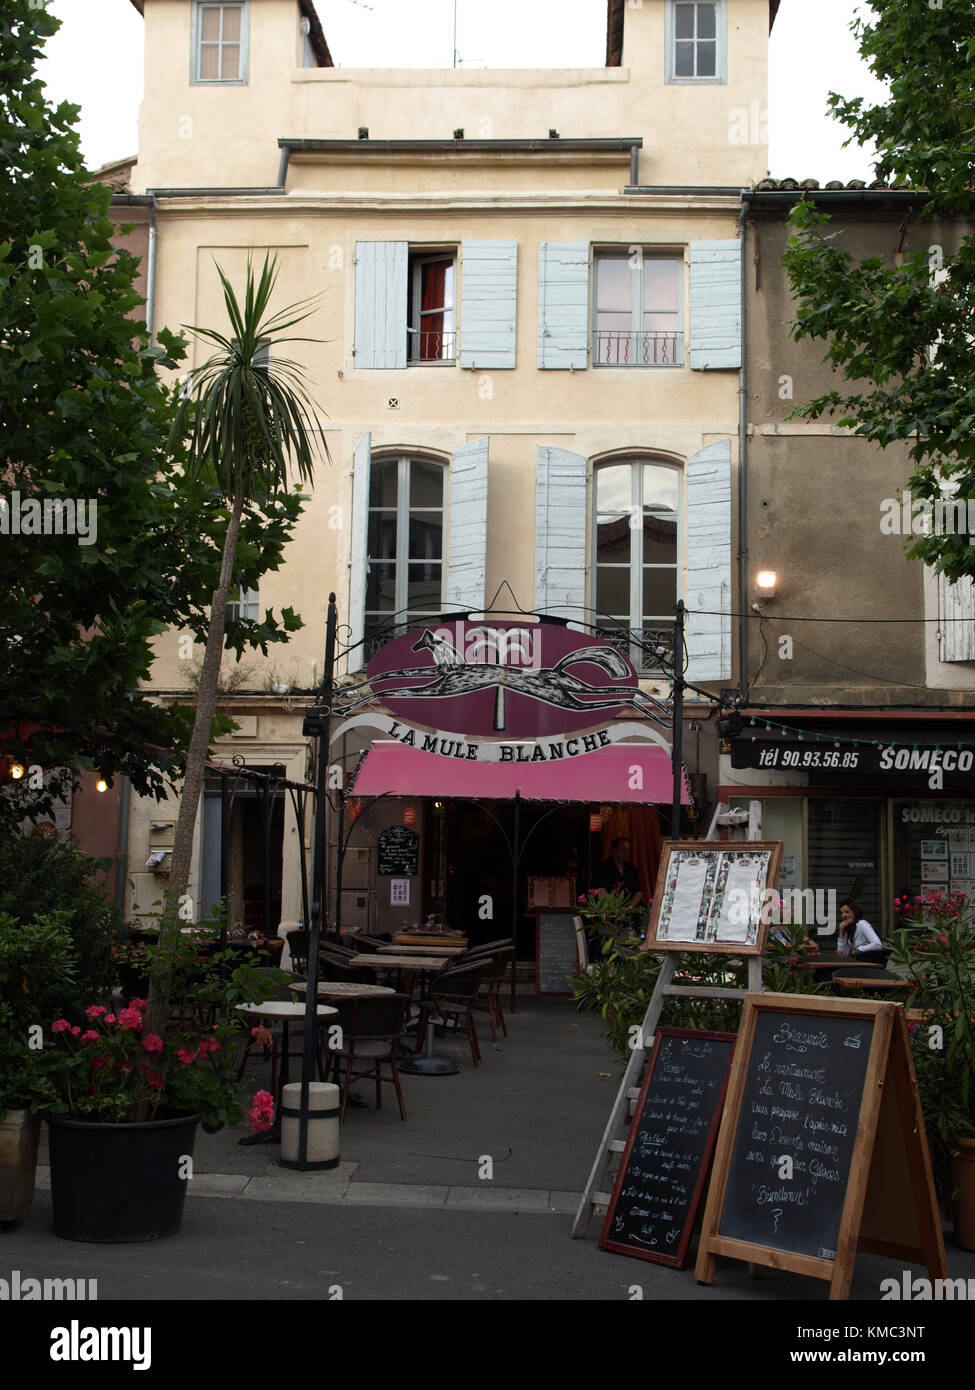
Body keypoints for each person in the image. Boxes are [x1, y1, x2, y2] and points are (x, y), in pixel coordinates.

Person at [595, 837, 643, 908]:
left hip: (629, 912)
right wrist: (617, 911)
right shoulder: (603, 868)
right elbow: (601, 890)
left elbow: (638, 892)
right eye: (623, 850)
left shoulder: (632, 869)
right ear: (614, 851)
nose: (627, 853)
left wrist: (628, 909)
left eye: (628, 850)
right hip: (610, 912)